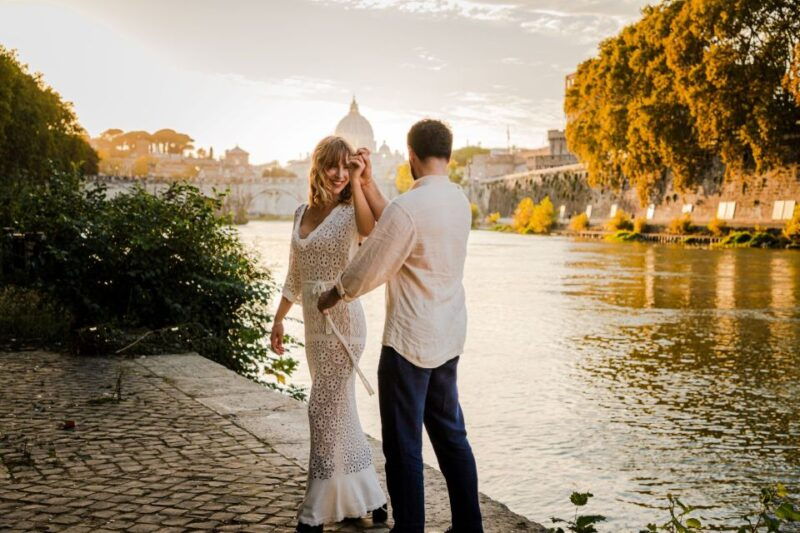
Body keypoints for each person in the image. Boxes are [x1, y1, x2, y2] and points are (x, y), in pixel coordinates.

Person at [318, 119, 484, 533]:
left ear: (410, 155)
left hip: (407, 345)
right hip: (447, 339)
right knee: (452, 438)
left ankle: (409, 529)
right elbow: (397, 224)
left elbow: (372, 262)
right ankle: (470, 526)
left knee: (403, 445)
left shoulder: (411, 208)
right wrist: (368, 184)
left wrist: (334, 293)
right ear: (447, 153)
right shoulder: (458, 201)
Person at [270, 135, 388, 533]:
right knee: (343, 413)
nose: (338, 174)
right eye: (332, 166)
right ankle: (369, 497)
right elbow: (294, 274)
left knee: (320, 408)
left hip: (345, 324)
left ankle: (313, 512)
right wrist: (279, 318)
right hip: (312, 326)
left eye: (345, 166)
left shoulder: (349, 211)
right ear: (317, 166)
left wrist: (359, 180)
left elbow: (371, 229)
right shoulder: (300, 212)